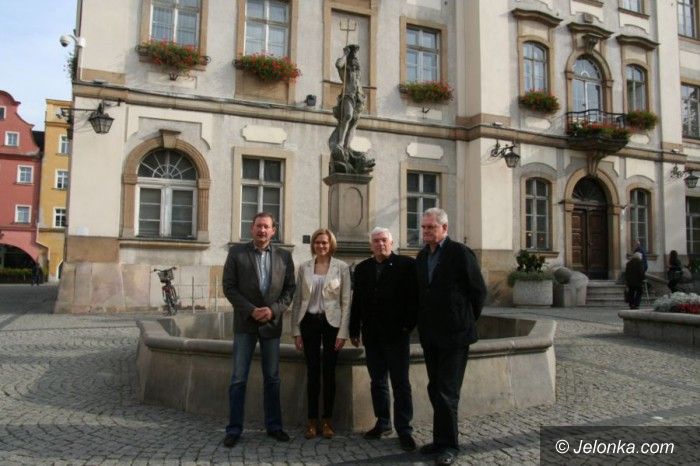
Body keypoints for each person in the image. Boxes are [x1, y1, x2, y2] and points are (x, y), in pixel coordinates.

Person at [415, 208, 486, 466]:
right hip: (431, 335)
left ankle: (449, 446)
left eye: (431, 227)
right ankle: (439, 440)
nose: (426, 231)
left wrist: (463, 319)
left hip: (455, 336)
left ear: (444, 228)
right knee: (435, 389)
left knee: (447, 392)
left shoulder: (460, 253)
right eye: (424, 227)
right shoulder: (422, 256)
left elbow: (478, 291)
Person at [221, 212, 296, 448]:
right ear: (251, 228)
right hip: (245, 323)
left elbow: (289, 290)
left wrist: (272, 311)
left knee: (272, 378)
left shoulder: (284, 256)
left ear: (273, 231)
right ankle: (234, 429)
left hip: (271, 325)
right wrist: (251, 310)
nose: (262, 230)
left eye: (266, 227)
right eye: (258, 226)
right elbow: (229, 287)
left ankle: (274, 427)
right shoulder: (236, 253)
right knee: (238, 378)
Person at [349, 227, 418, 451]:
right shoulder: (363, 268)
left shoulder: (406, 265)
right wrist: (354, 329)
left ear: (391, 242)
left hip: (397, 335)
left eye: (384, 240)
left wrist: (408, 326)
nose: (380, 244)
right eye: (376, 241)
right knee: (377, 381)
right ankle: (383, 421)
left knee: (400, 383)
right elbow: (357, 301)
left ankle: (404, 428)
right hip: (372, 334)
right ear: (371, 245)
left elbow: (414, 299)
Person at [291, 228, 351, 440]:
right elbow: (297, 301)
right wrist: (296, 331)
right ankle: (311, 421)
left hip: (331, 323)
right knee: (313, 372)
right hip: (309, 322)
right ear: (313, 245)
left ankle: (327, 420)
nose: (321, 246)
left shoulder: (341, 267)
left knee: (329, 372)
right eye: (317, 242)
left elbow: (346, 302)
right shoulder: (304, 267)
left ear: (331, 244)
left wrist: (343, 333)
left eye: (324, 242)